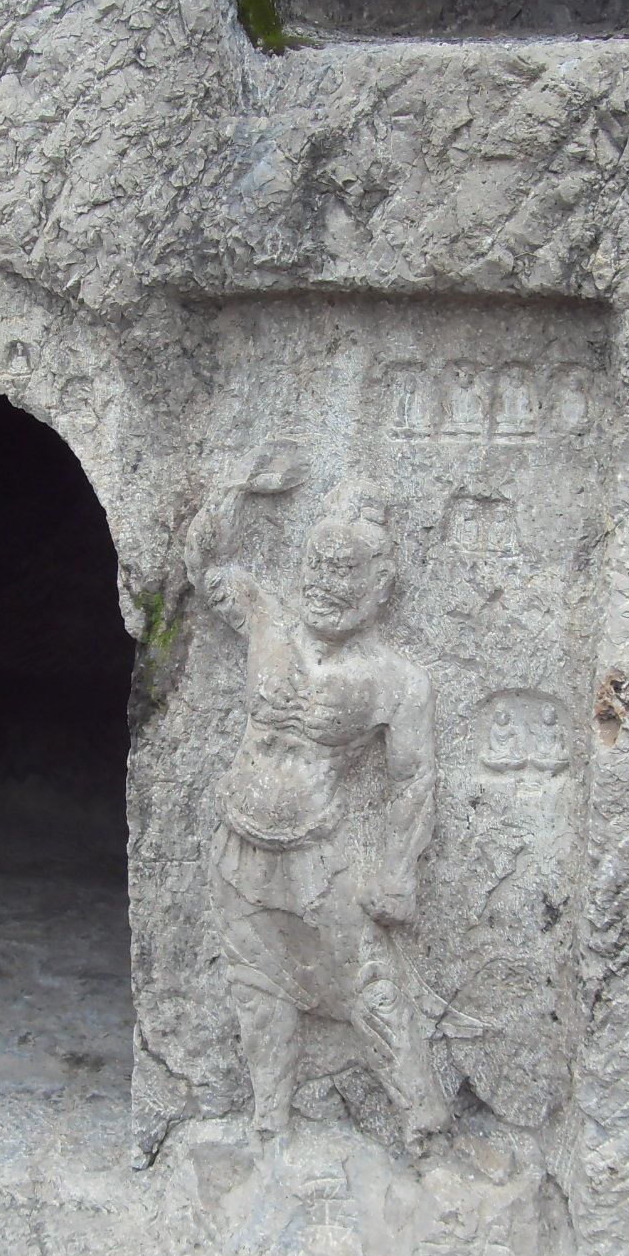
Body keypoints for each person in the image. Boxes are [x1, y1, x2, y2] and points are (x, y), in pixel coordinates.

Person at [185, 444, 450, 1146]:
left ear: (382, 581)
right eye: (318, 566)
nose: (327, 584)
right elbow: (203, 568)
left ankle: (424, 1128)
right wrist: (238, 489)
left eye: (346, 570)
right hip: (240, 843)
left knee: (371, 987)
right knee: (255, 990)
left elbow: (411, 777)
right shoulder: (265, 617)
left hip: (321, 854)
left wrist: (397, 870)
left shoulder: (397, 679)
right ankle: (270, 1124)